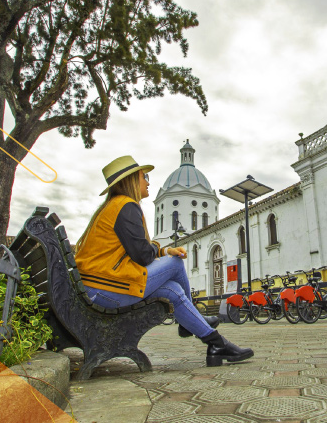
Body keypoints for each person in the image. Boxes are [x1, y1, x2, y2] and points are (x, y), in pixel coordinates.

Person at [74, 155, 253, 367]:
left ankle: (216, 344)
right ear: (131, 180)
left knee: (172, 291)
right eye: (144, 176)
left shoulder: (114, 206)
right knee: (176, 262)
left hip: (98, 287)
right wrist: (166, 252)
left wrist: (163, 249)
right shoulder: (126, 205)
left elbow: (140, 249)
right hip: (106, 289)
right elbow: (142, 255)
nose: (148, 182)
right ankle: (193, 321)